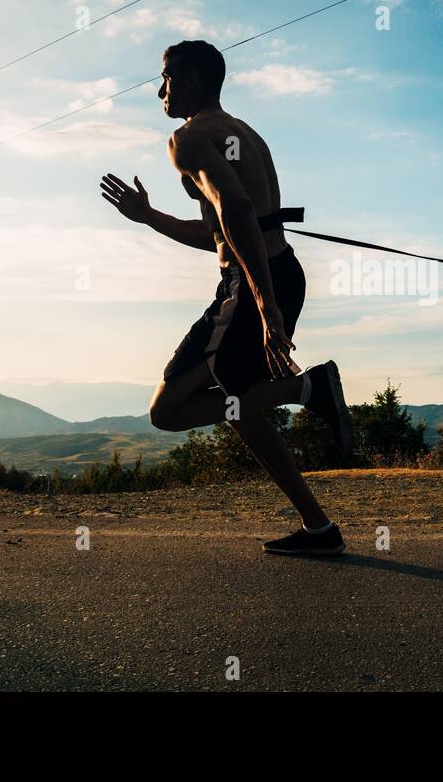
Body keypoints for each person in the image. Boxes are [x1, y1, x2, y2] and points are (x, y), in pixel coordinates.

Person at [99, 40, 352, 556]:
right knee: (239, 409)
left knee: (168, 410)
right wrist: (150, 217)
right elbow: (222, 230)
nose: (159, 89)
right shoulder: (243, 133)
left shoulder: (186, 139)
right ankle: (319, 529)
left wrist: (262, 304)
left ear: (191, 80)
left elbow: (236, 209)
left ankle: (307, 391)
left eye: (165, 77)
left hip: (252, 284)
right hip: (277, 272)